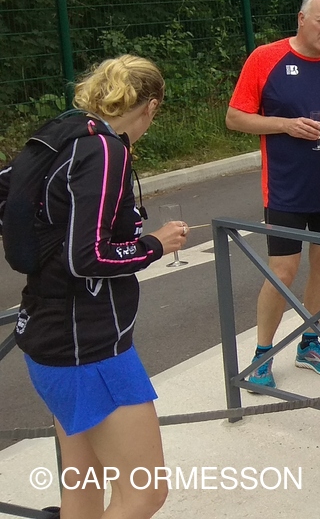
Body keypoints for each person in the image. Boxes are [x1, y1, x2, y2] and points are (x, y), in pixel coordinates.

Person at [3, 56, 188, 519]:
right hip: (90, 347)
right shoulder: (105, 151)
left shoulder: (62, 132)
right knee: (144, 494)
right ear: (151, 106)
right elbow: (88, 257)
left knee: (83, 491)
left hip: (47, 335)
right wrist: (154, 245)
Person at [227, 0, 320, 389]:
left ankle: (310, 343)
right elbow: (235, 117)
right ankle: (262, 353)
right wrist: (284, 125)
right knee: (282, 271)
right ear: (302, 19)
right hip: (286, 186)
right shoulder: (265, 58)